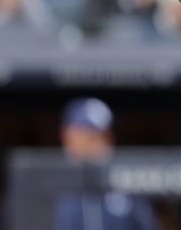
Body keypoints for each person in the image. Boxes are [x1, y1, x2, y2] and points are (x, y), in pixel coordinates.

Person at [53, 97, 160, 230]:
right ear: (67, 136)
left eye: (103, 137)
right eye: (89, 137)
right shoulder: (46, 186)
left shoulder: (126, 187)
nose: (98, 146)